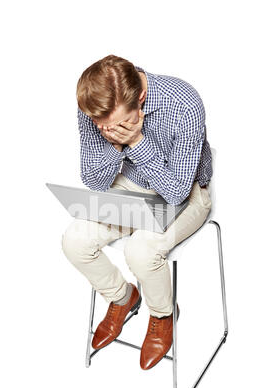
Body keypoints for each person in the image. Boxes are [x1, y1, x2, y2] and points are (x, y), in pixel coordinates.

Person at [61, 54, 212, 370]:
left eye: (112, 124)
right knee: (74, 241)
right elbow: (94, 179)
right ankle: (122, 298)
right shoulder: (96, 104)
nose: (102, 129)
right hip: (128, 186)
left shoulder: (185, 104)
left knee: (141, 251)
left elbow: (175, 192)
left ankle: (163, 314)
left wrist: (137, 141)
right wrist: (115, 146)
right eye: (99, 124)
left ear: (140, 99)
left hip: (187, 193)